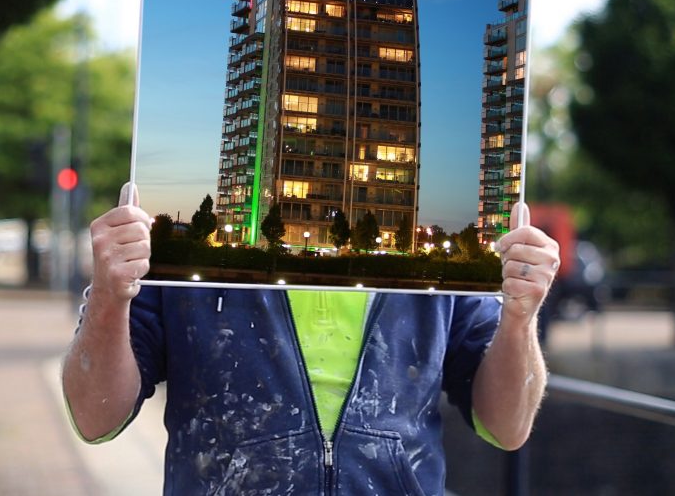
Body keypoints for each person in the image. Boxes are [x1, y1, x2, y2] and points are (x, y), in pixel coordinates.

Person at [62, 185, 560, 495]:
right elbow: (94, 417)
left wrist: (520, 316)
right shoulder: (179, 264)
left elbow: (506, 427)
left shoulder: (440, 273)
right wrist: (109, 293)